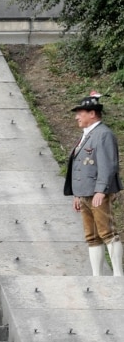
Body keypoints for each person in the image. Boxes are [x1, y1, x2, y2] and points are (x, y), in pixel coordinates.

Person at [64, 93, 123, 276]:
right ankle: (97, 276)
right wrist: (77, 194)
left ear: (92, 113)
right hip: (85, 193)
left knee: (107, 232)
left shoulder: (103, 134)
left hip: (97, 192)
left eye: (80, 113)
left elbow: (108, 164)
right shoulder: (88, 135)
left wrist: (101, 190)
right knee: (92, 236)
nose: (76, 117)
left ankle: (118, 274)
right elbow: (78, 167)